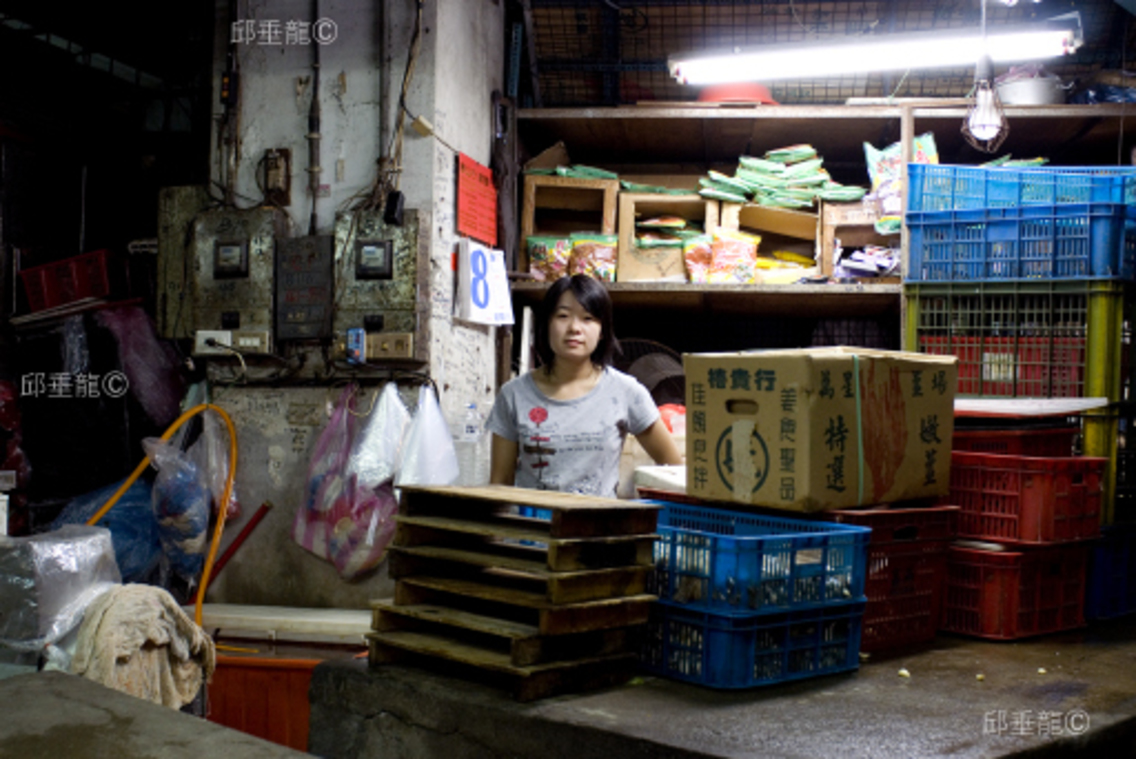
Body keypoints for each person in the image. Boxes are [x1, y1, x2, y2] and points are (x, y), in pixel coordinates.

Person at [487, 274, 682, 497]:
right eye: (563, 316)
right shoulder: (513, 394)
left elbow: (673, 469)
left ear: (602, 331)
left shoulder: (626, 391)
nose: (574, 328)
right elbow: (500, 482)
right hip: (532, 519)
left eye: (587, 318)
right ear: (547, 324)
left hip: (599, 519)